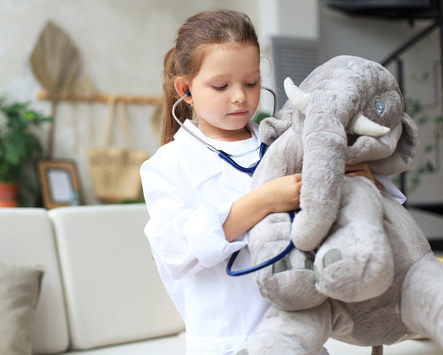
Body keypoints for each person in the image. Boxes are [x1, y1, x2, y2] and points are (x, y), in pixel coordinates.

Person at [140, 9, 401, 355]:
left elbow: (374, 218)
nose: (240, 97)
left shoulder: (285, 140)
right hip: (228, 344)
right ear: (186, 89)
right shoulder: (167, 165)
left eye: (250, 83)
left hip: (304, 338)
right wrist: (264, 201)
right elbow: (177, 250)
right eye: (221, 86)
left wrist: (367, 182)